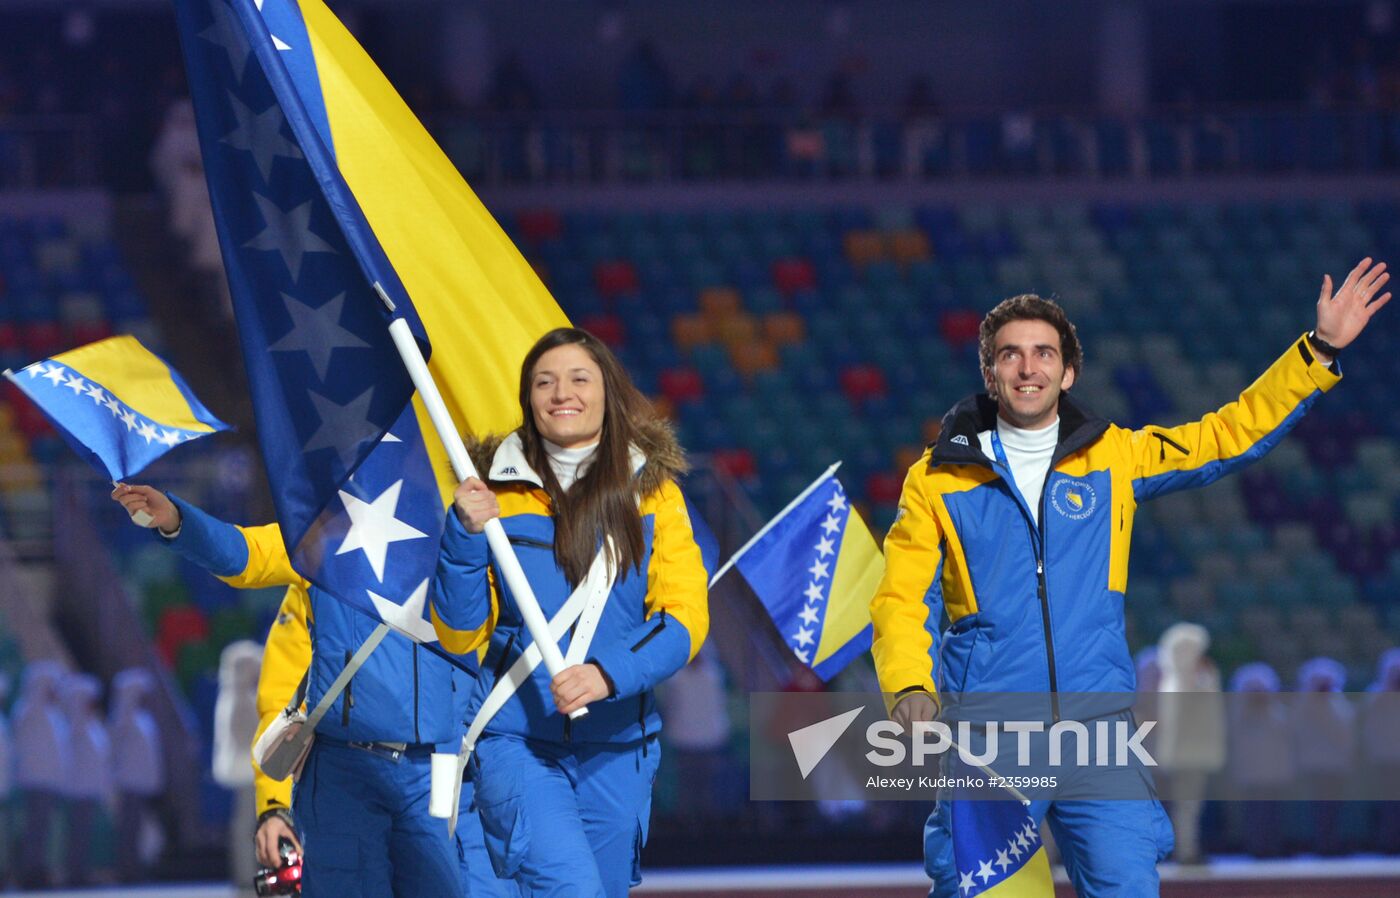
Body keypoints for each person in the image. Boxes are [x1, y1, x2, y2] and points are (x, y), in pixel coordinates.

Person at [869, 258, 1390, 897]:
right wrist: (909, 686)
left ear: (1069, 371)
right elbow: (900, 597)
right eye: (1011, 355)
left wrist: (1319, 352)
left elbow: (1224, 436)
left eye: (1043, 354)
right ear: (989, 371)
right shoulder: (936, 479)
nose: (1028, 368)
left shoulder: (1114, 456)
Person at [108, 485, 509, 897]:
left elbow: (473, 635)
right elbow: (244, 555)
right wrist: (177, 519)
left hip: (440, 777)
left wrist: (467, 537)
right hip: (343, 775)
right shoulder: (324, 541)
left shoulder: (470, 541)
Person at [432, 327, 709, 898]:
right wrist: (462, 535)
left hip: (620, 748)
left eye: (579, 378)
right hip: (517, 741)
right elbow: (459, 636)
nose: (562, 393)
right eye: (545, 381)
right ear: (528, 398)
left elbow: (684, 618)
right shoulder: (488, 495)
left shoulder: (653, 493)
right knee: (571, 889)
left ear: (608, 391)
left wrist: (606, 674)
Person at [1155, 623, 1225, 864]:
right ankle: (1186, 851)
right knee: (1187, 807)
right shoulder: (1180, 683)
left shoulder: (1178, 681)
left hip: (1190, 755)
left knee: (1190, 807)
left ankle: (1187, 849)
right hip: (1187, 756)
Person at [12, 660, 69, 889]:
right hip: (35, 781)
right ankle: (29, 873)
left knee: (43, 831)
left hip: (49, 782)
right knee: (34, 830)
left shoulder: (52, 714)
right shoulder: (27, 709)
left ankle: (37, 869)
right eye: (50, 687)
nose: (55, 693)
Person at [212, 640, 262, 890]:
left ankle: (250, 872)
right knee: (246, 826)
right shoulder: (240, 698)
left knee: (248, 825)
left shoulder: (235, 695)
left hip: (249, 769)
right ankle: (247, 874)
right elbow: (245, 735)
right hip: (248, 770)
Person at [109, 667, 165, 883]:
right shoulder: (122, 719)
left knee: (139, 832)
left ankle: (135, 869)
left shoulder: (143, 719)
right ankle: (126, 871)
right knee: (128, 831)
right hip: (129, 784)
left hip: (142, 784)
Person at [62, 672, 111, 887]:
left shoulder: (92, 725)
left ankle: (81, 872)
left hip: (91, 789)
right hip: (79, 790)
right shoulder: (76, 725)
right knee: (78, 835)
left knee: (85, 835)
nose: (92, 705)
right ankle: (76, 874)